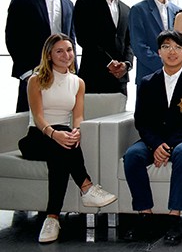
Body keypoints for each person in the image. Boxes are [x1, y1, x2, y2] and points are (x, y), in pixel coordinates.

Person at [19, 34, 116, 243]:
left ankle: (52, 218)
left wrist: (77, 131)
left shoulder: (78, 82)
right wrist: (55, 134)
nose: (66, 55)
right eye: (59, 51)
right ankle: (87, 187)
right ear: (50, 55)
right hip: (37, 136)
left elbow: (78, 115)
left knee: (60, 155)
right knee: (61, 145)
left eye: (69, 50)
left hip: (62, 137)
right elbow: (38, 117)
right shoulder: (36, 80)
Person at [122, 30, 182, 246]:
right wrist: (155, 144)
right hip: (153, 140)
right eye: (166, 47)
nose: (172, 52)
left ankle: (174, 218)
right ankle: (145, 216)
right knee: (132, 155)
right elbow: (141, 120)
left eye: (178, 47)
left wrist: (168, 145)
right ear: (159, 52)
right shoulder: (147, 82)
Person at [6, 0, 76, 112]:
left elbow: (71, 41)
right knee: (28, 121)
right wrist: (26, 73)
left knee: (61, 119)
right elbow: (12, 36)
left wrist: (73, 72)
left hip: (62, 73)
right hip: (34, 71)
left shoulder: (68, 4)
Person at [74, 0, 134, 94]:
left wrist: (126, 64)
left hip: (120, 79)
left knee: (120, 115)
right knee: (92, 115)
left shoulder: (126, 9)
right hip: (94, 76)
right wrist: (109, 62)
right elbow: (84, 39)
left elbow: (129, 42)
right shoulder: (85, 3)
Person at [130, 0, 181, 85]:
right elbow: (139, 46)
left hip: (175, 77)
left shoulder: (178, 11)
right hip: (149, 75)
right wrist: (166, 64)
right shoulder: (138, 9)